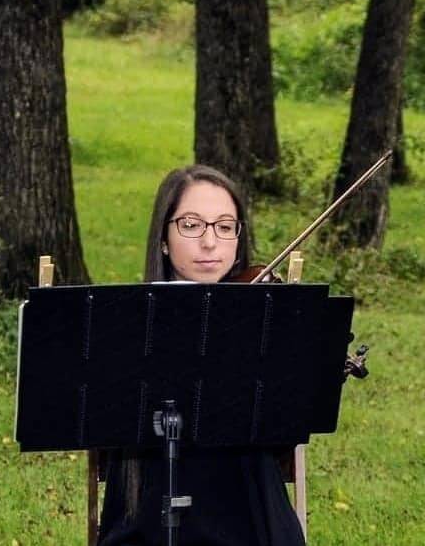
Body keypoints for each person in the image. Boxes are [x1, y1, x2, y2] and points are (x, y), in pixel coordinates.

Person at [97, 164, 306, 546]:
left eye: (225, 226)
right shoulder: (125, 321)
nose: (211, 243)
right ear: (163, 237)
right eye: (192, 225)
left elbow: (284, 437)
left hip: (252, 518)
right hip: (149, 516)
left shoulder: (266, 314)